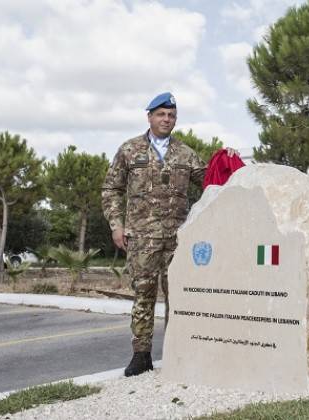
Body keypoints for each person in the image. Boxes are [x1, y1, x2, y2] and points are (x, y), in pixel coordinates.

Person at [101, 92, 236, 377]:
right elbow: (111, 189)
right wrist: (116, 224)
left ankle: (179, 351)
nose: (166, 119)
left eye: (171, 115)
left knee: (179, 296)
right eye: (161, 114)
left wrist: (227, 160)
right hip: (141, 239)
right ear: (149, 116)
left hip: (178, 240)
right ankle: (141, 355)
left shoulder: (185, 154)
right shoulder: (129, 150)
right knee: (143, 296)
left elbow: (212, 181)